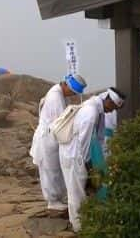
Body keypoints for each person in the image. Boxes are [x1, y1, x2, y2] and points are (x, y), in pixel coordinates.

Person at [59, 87, 126, 232]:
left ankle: (78, 222)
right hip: (74, 154)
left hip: (77, 153)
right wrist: (88, 164)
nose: (112, 110)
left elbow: (98, 138)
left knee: (79, 189)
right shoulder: (91, 112)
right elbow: (84, 142)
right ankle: (78, 227)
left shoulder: (97, 109)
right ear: (107, 99)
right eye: (113, 106)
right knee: (76, 192)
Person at [29, 74, 87, 211]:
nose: (71, 95)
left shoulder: (59, 93)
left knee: (55, 170)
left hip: (51, 137)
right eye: (72, 92)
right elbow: (61, 120)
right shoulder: (55, 97)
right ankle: (52, 200)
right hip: (47, 138)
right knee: (50, 170)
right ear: (67, 86)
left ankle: (57, 198)